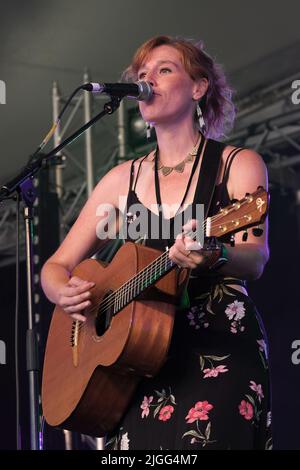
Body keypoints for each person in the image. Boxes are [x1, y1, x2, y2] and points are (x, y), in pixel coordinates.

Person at [41, 35, 272, 450]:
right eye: (141, 74)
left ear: (199, 88)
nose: (147, 79)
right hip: (133, 366)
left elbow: (255, 259)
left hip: (214, 345)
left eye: (164, 70)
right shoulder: (120, 179)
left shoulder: (236, 164)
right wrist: (63, 290)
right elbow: (55, 268)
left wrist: (214, 253)